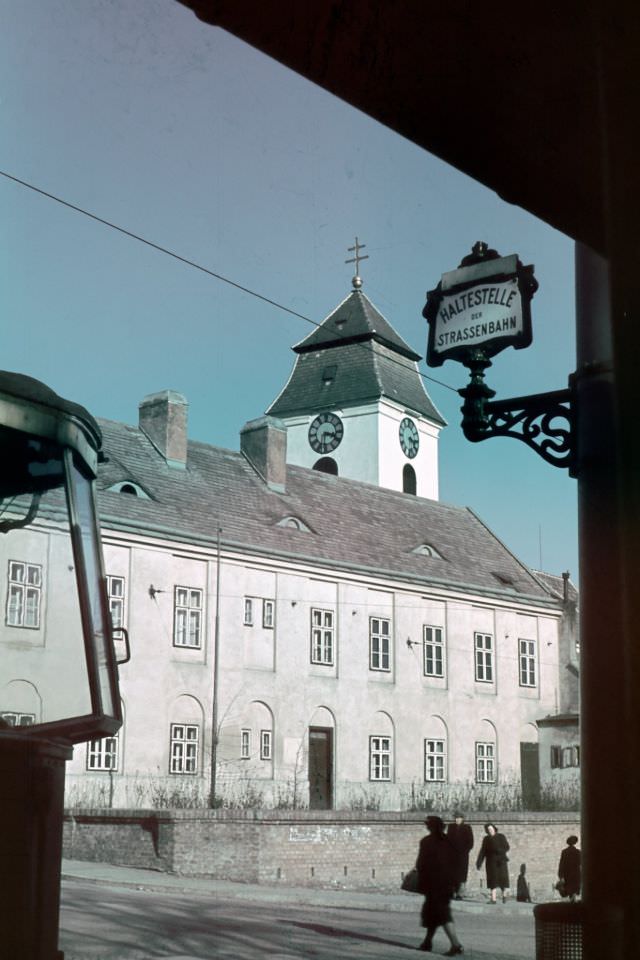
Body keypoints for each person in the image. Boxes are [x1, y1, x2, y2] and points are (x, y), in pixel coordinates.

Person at [415, 815, 464, 955]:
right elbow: (458, 863)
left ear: (430, 827)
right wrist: (457, 883)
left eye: (428, 825)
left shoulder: (426, 842)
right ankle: (427, 942)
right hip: (447, 884)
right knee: (433, 914)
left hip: (433, 884)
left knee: (442, 914)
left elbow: (421, 864)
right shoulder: (450, 841)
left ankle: (456, 944)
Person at [475, 822, 510, 903]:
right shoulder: (486, 839)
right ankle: (493, 899)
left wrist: (500, 850)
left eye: (491, 829)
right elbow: (483, 851)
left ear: (494, 828)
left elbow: (507, 847)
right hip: (491, 862)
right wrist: (479, 862)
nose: (490, 831)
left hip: (501, 861)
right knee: (492, 880)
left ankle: (504, 895)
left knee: (502, 879)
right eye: (488, 830)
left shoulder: (501, 836)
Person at [447, 811, 474, 899]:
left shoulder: (467, 827)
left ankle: (460, 894)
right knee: (452, 873)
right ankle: (452, 892)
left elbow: (470, 842)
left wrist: (465, 851)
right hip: (452, 855)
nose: (457, 820)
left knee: (462, 874)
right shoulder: (451, 827)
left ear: (462, 819)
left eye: (459, 818)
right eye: (456, 818)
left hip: (463, 855)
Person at [557, 835, 581, 902]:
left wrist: (561, 876)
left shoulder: (564, 852)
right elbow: (580, 863)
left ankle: (571, 901)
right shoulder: (578, 852)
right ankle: (573, 901)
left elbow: (561, 864)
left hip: (567, 875)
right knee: (574, 890)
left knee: (568, 890)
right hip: (576, 875)